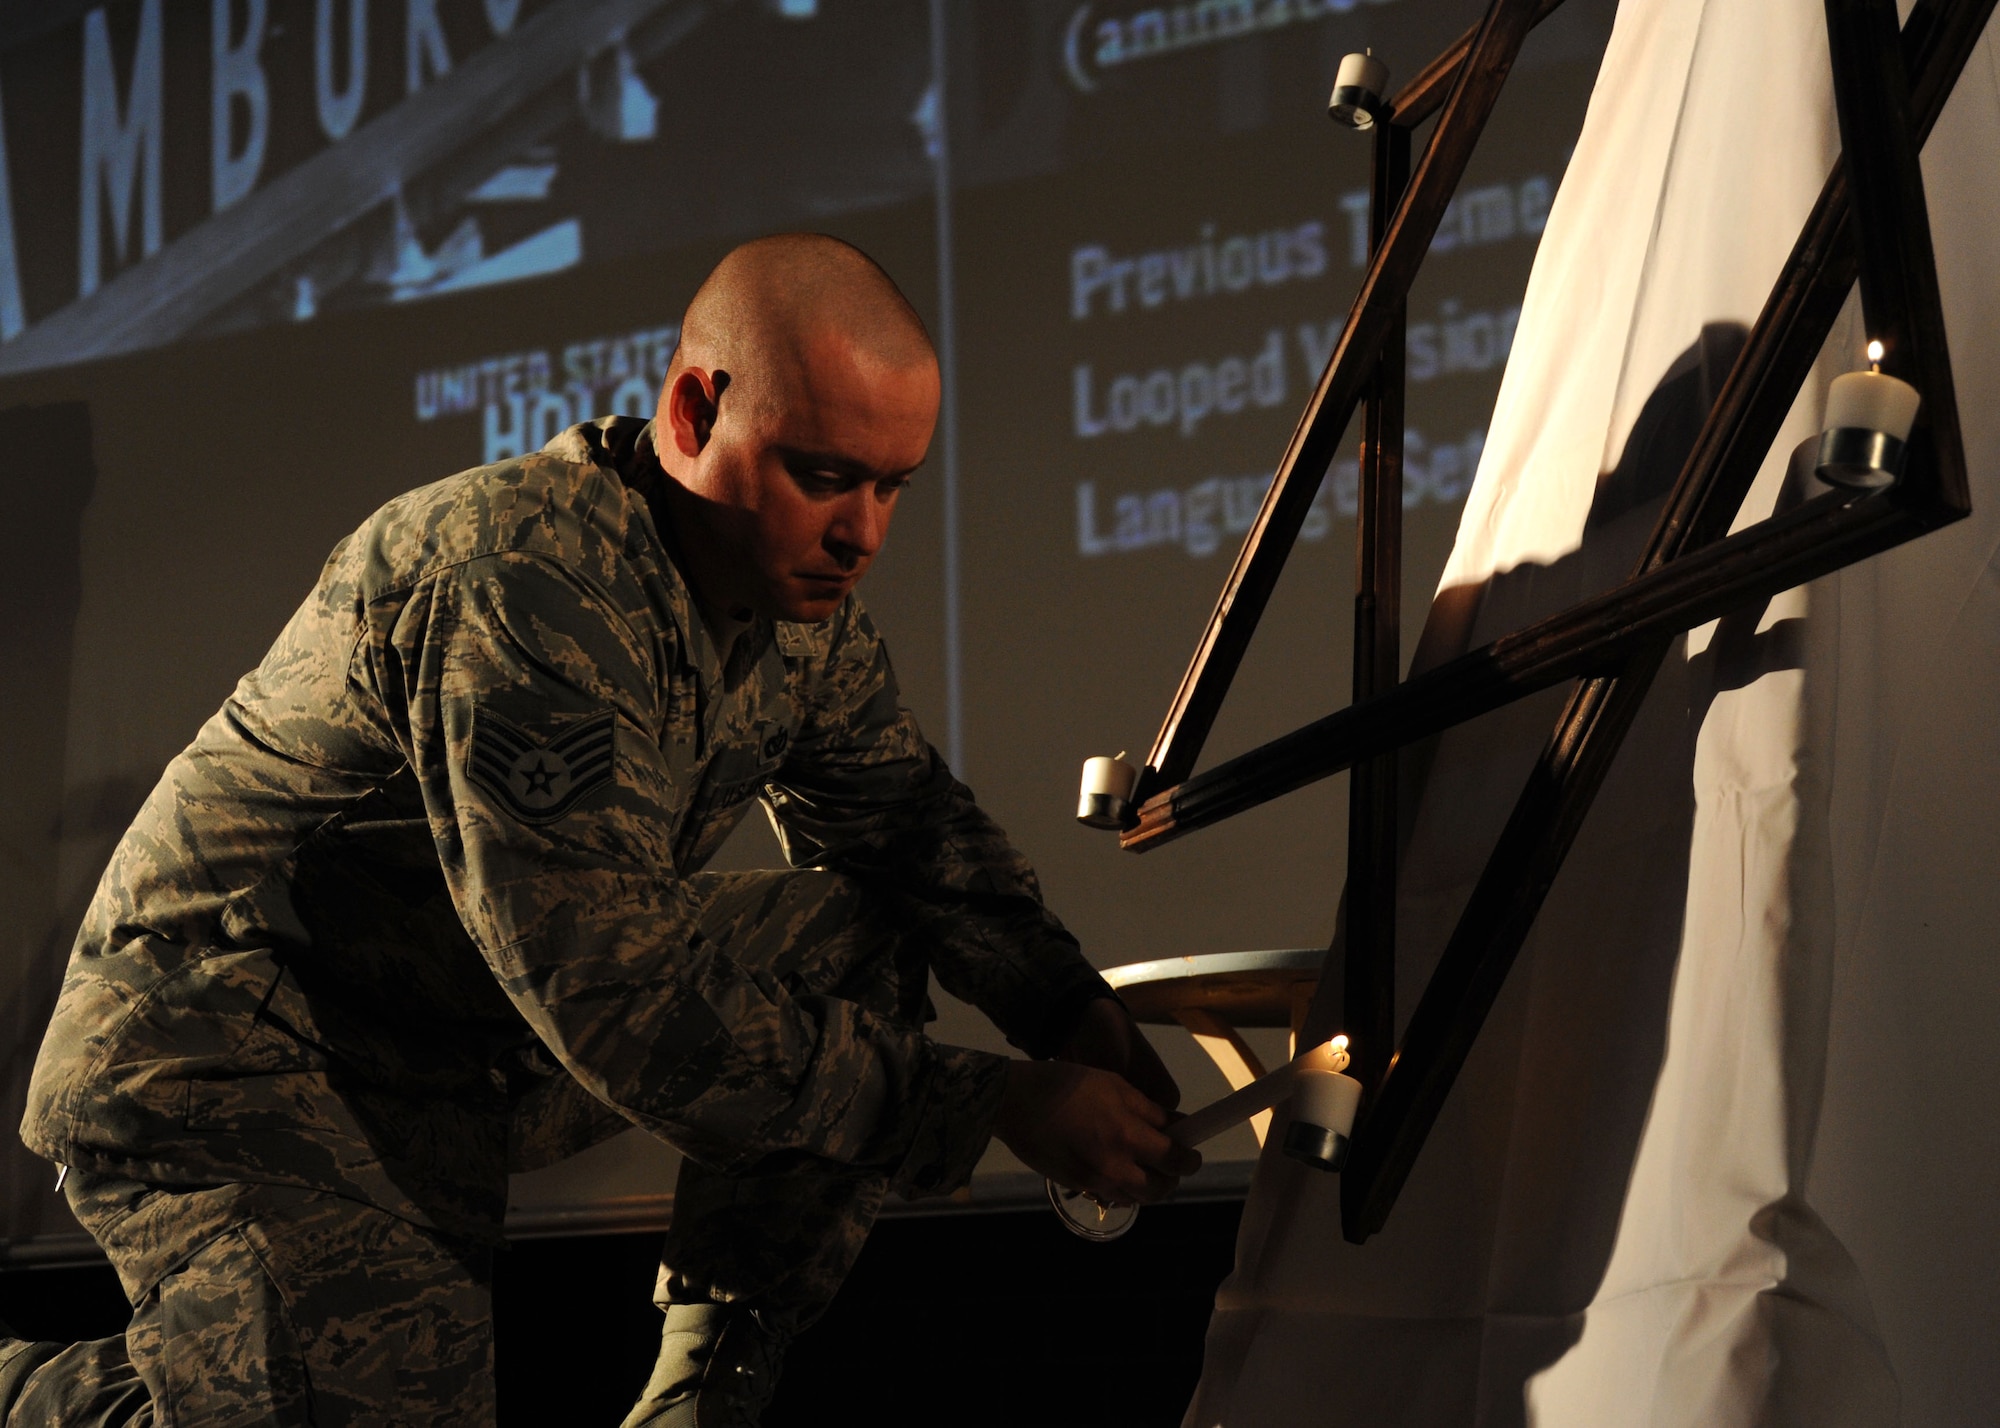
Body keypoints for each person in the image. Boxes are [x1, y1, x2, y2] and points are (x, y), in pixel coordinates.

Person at [0, 234, 1197, 1427]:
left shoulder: (793, 609)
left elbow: (908, 831)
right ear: (691, 412)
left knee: (861, 929)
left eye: (891, 486)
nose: (862, 532)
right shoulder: (528, 586)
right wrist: (991, 1102)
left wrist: (1065, 1011)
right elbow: (618, 1004)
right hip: (241, 1050)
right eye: (825, 475)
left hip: (449, 1032)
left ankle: (699, 1398)